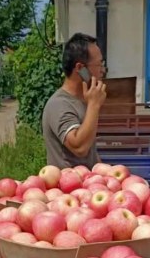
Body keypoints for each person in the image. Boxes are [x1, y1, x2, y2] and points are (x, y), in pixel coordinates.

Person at [42, 33, 107, 169]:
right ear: (80, 68)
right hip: (69, 189)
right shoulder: (59, 104)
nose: (103, 70)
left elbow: (89, 153)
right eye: (99, 64)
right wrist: (94, 105)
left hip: (90, 186)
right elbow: (80, 147)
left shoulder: (83, 100)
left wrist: (107, 173)